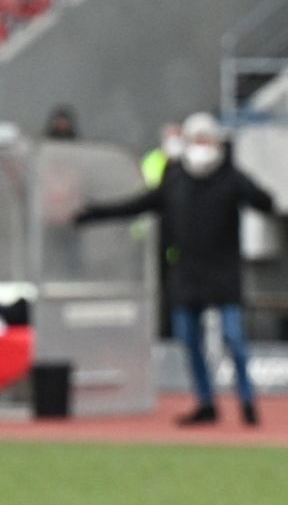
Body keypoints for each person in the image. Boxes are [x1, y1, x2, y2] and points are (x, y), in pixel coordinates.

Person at [76, 112, 275, 427]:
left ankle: (247, 401)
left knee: (234, 338)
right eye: (196, 140)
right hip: (187, 274)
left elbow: (265, 201)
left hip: (224, 274)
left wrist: (255, 192)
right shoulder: (176, 180)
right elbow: (137, 204)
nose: (202, 146)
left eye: (206, 139)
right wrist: (91, 213)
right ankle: (206, 402)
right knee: (189, 340)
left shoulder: (231, 178)